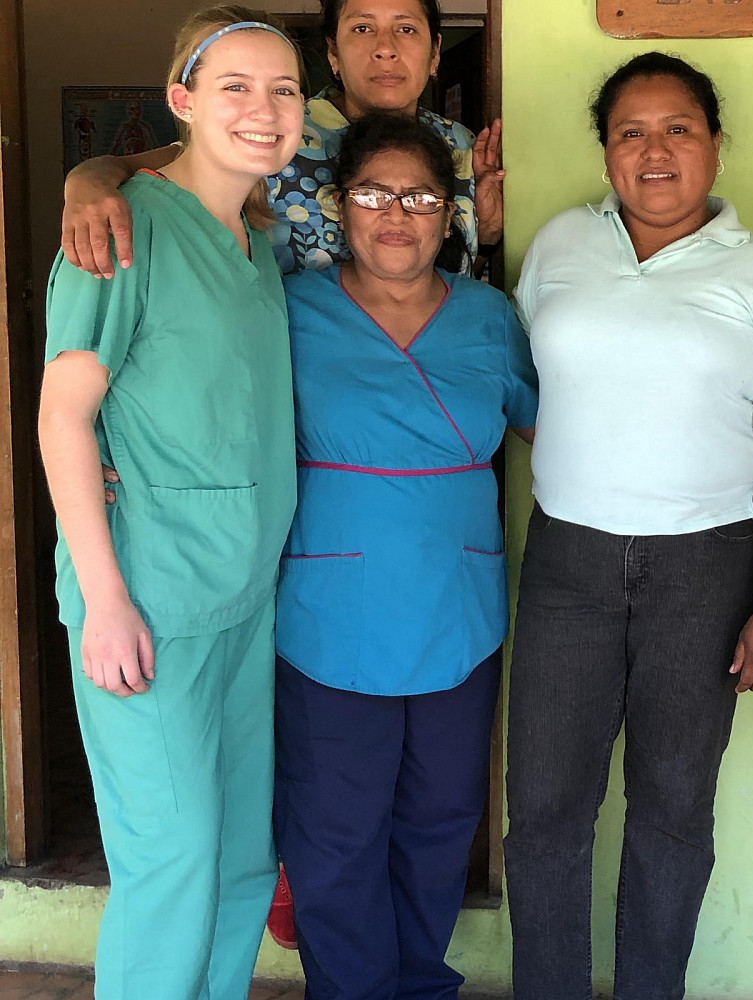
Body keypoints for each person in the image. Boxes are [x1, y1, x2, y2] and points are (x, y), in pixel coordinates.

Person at [504, 51, 753, 1000]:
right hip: (568, 561)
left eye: (678, 129)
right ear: (605, 151)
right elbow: (530, 388)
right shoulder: (561, 245)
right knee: (546, 814)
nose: (655, 151)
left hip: (709, 569)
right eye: (630, 132)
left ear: (717, 147)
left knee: (673, 810)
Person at [35, 9, 303, 998]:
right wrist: (103, 600)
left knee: (239, 860)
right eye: (235, 86)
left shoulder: (254, 241)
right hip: (148, 604)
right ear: (183, 100)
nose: (264, 109)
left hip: (242, 602)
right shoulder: (120, 228)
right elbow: (64, 419)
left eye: (282, 90)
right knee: (174, 863)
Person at [271, 111, 537, 999]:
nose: (397, 214)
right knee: (335, 832)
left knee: (440, 819)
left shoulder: (491, 318)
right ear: (341, 207)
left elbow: (556, 427)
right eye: (373, 195)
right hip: (329, 613)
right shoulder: (291, 308)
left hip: (456, 609)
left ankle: (419, 982)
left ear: (451, 210)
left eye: (420, 195)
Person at [60, 0, 503, 277]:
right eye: (362, 28)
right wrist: (87, 181)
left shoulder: (459, 145)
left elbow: (459, 269)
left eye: (406, 28)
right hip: (282, 363)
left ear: (435, 52)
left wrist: (488, 236)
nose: (385, 48)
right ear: (332, 53)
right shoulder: (278, 126)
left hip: (419, 363)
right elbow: (164, 165)